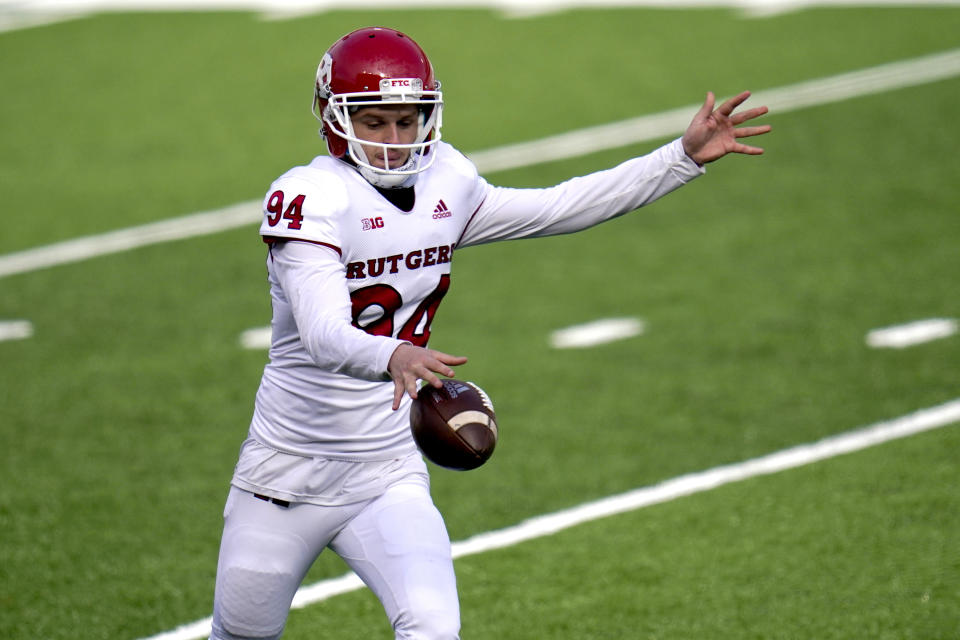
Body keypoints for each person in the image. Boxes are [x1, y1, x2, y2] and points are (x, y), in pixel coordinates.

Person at [209, 25, 770, 640]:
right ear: (333, 117)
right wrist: (393, 353)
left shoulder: (445, 179)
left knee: (433, 628)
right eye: (374, 122)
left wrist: (679, 158)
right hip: (285, 475)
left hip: (386, 468)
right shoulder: (310, 195)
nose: (395, 142)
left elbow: (557, 207)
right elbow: (321, 333)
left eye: (408, 120)